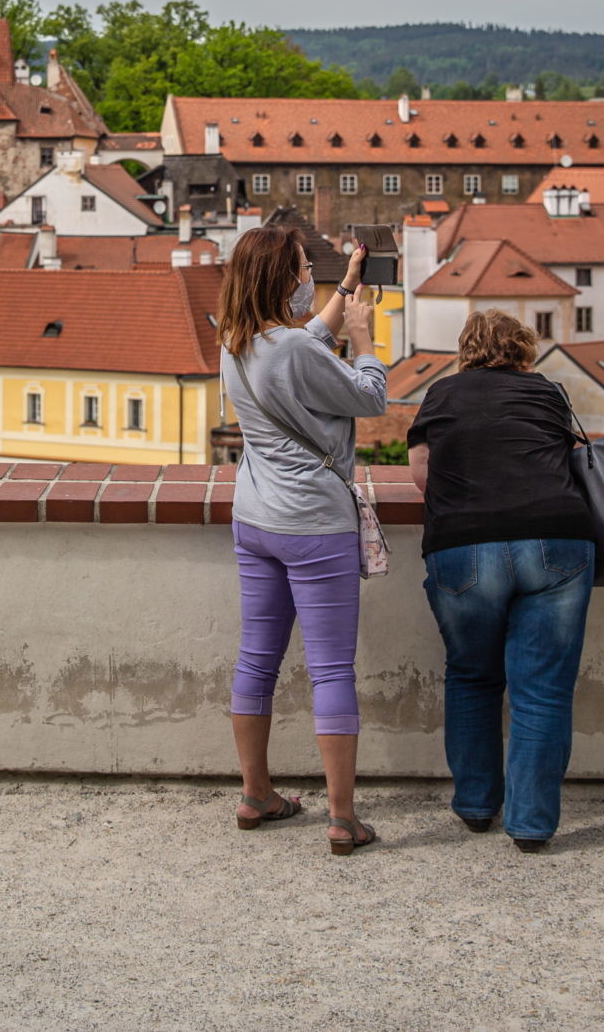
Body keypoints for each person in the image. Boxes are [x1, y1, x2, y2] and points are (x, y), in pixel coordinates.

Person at [219, 225, 390, 856]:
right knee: (330, 670)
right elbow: (370, 397)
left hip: (255, 517)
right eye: (301, 268)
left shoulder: (235, 339)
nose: (306, 278)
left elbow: (303, 345)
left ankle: (255, 793)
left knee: (256, 659)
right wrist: (367, 340)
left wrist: (346, 287)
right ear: (281, 280)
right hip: (314, 524)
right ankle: (343, 818)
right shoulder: (290, 348)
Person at [405, 309, 600, 852]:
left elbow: (421, 474)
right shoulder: (547, 393)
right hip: (555, 543)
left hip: (464, 547)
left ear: (465, 349)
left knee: (471, 677)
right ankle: (532, 825)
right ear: (524, 349)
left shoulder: (440, 395)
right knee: (543, 690)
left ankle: (475, 806)